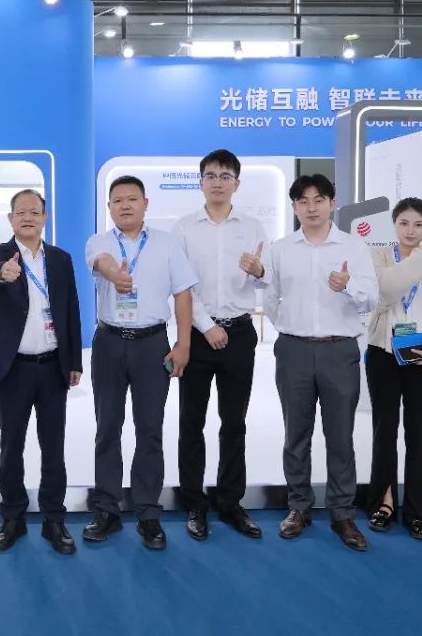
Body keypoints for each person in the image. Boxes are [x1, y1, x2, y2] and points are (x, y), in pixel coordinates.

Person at [262, 174, 378, 552]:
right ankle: (299, 507)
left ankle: (342, 513)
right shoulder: (281, 249)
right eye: (303, 201)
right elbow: (271, 299)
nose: (311, 208)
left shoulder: (353, 247)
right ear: (294, 206)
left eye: (318, 200)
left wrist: (348, 286)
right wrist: (291, 330)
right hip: (293, 350)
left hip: (339, 351)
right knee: (296, 434)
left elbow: (371, 299)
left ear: (332, 202)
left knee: (340, 436)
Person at [83, 175, 197, 550]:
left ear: (145, 204)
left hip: (153, 346)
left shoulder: (167, 243)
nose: (125, 205)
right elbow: (101, 262)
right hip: (109, 343)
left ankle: (148, 513)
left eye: (132, 199)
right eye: (117, 200)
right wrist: (114, 273)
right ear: (109, 207)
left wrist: (183, 344)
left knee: (150, 430)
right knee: (107, 428)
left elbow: (183, 294)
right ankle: (107, 510)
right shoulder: (99, 242)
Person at [0, 189, 83, 555]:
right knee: (11, 446)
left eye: (34, 212)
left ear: (44, 217)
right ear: (10, 219)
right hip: (14, 368)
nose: (27, 218)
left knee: (53, 447)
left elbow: (70, 309)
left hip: (52, 366)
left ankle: (54, 518)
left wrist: (74, 361)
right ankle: (13, 517)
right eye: (20, 212)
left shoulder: (61, 259)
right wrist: (2, 274)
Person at [173, 149, 265, 541]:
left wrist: (259, 271)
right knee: (191, 422)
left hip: (240, 334)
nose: (217, 182)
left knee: (234, 422)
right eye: (210, 175)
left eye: (225, 176)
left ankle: (230, 502)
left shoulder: (253, 227)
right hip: (197, 335)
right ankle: (194, 503)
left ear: (236, 183)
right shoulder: (183, 228)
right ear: (200, 182)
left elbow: (267, 280)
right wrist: (207, 326)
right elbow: (179, 286)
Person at [364, 198, 422, 540]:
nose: (410, 231)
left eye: (418, 225)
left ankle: (417, 511)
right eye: (403, 223)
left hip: (421, 356)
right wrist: (418, 259)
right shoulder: (380, 257)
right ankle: (384, 502)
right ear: (394, 225)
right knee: (384, 430)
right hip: (383, 354)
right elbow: (386, 291)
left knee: (419, 433)